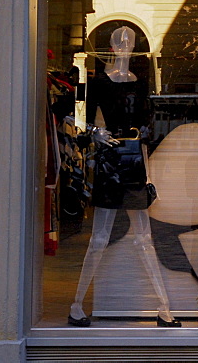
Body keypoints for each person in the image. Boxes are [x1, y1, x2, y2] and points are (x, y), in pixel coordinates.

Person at [69, 27, 180, 328]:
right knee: (99, 237)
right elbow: (79, 120)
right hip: (110, 160)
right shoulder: (100, 83)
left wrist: (146, 160)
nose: (125, 48)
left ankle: (163, 307)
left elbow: (146, 124)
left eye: (130, 43)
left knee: (144, 237)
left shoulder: (140, 83)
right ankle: (77, 305)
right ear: (112, 48)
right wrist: (95, 133)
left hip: (133, 161)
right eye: (120, 43)